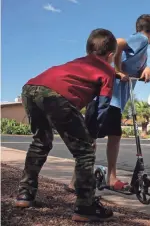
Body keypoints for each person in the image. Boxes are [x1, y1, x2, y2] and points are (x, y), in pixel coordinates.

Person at [15, 28, 117, 222]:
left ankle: (25, 194)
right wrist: (91, 135)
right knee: (85, 152)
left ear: (88, 50)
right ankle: (85, 206)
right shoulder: (108, 71)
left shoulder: (78, 62)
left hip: (31, 88)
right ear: (110, 55)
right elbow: (101, 107)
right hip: (57, 96)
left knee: (40, 142)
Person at [64, 14, 150, 193]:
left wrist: (146, 68)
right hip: (106, 97)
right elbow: (120, 42)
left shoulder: (142, 49)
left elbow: (130, 62)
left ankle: (109, 177)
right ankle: (77, 180)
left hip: (114, 100)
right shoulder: (142, 40)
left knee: (113, 136)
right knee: (93, 139)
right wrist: (116, 70)